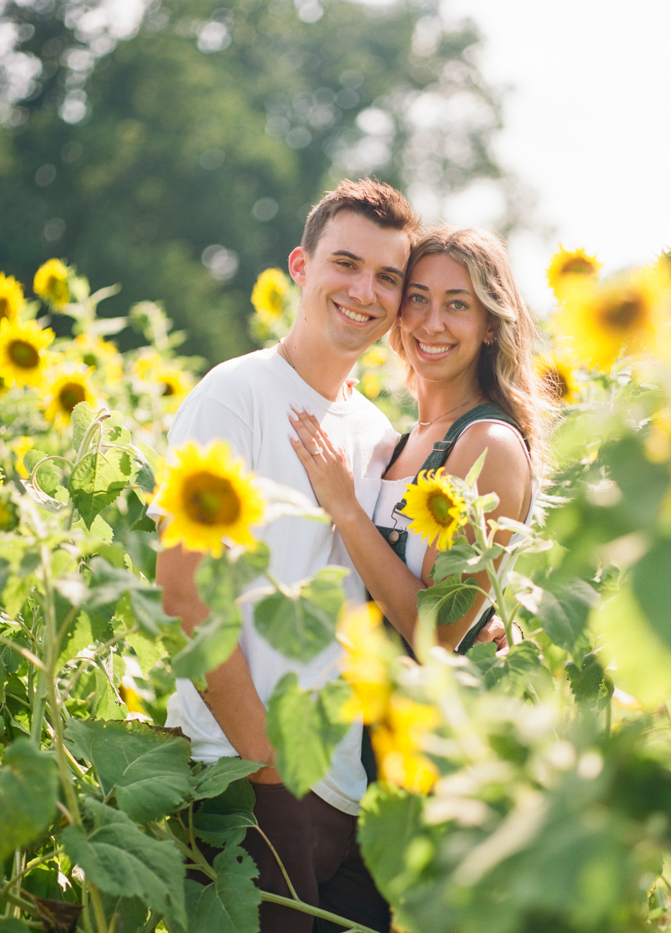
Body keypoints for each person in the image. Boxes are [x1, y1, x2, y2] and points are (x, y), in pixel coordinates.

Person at [155, 185, 510, 933]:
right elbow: (185, 595)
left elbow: (389, 590)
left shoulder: (374, 430)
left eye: (389, 278)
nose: (366, 292)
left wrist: (481, 631)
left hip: (348, 787)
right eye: (345, 264)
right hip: (251, 777)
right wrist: (267, 765)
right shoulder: (236, 393)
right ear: (300, 266)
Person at [290, 225, 549, 655]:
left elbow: (441, 634)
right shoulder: (401, 442)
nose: (433, 324)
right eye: (418, 299)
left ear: (489, 325)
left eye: (458, 305)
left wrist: (348, 511)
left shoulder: (489, 443)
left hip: (440, 717)